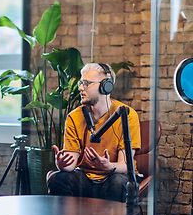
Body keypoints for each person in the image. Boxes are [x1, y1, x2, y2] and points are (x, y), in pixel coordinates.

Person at [47, 63, 142, 204]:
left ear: (105, 86)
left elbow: (125, 165)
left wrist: (109, 166)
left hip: (113, 176)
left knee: (117, 182)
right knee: (57, 178)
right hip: (85, 178)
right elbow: (71, 165)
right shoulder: (74, 117)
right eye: (81, 83)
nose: (80, 88)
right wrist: (62, 164)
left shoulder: (126, 115)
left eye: (86, 83)